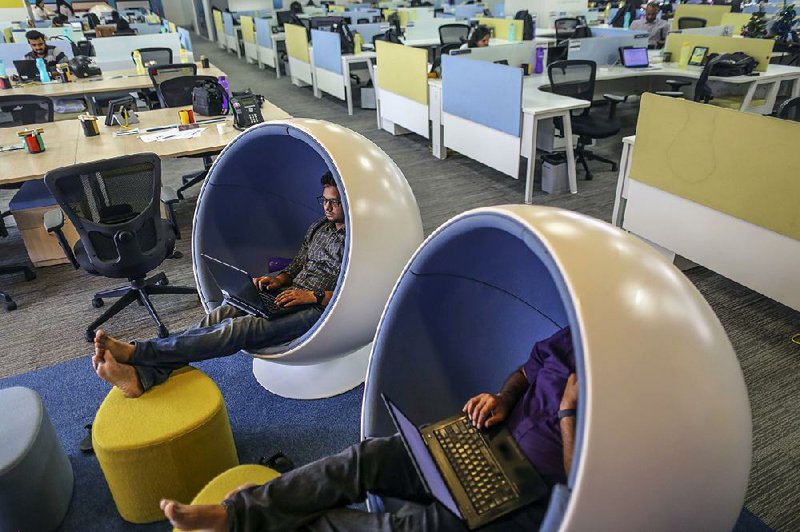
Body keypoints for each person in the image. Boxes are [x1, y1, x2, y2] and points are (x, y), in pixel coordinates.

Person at [160, 327, 578, 531]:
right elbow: (529, 368)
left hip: (532, 493)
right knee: (367, 458)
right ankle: (242, 514)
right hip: (488, 439)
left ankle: (246, 516)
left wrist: (568, 413)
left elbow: (583, 483)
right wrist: (503, 398)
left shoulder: (626, 402)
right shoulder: (575, 337)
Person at [93, 172, 346, 398]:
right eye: (323, 200)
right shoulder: (318, 227)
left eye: (334, 202)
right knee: (222, 314)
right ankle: (144, 376)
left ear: (347, 201)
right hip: (287, 295)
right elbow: (297, 265)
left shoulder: (357, 240)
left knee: (238, 329)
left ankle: (137, 354)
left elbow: (353, 291)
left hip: (318, 309)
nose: (326, 207)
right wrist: (277, 280)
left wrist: (311, 296)